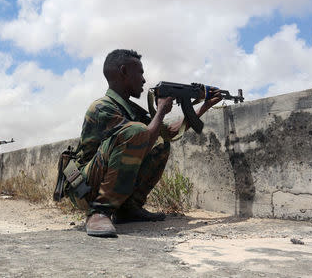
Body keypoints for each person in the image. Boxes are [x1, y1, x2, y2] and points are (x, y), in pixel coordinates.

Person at [72, 49, 222, 237]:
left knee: (161, 143)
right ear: (124, 71)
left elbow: (169, 132)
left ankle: (128, 209)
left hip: (97, 179)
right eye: (140, 73)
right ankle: (99, 212)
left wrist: (203, 107)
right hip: (84, 189)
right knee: (139, 131)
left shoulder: (129, 109)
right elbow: (141, 137)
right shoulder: (102, 108)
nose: (144, 80)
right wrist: (160, 112)